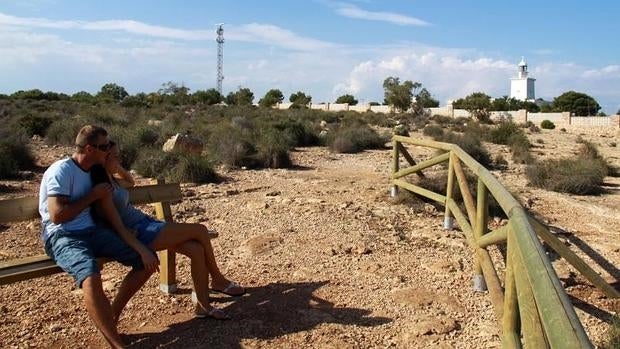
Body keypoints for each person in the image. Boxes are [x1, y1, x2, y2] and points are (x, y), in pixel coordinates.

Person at [90, 141, 245, 321]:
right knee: (200, 230)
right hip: (140, 231)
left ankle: (203, 307)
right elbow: (108, 219)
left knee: (196, 249)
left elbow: (130, 182)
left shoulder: (113, 180)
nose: (119, 158)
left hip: (146, 223)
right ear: (104, 157)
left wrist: (116, 167)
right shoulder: (103, 187)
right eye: (115, 155)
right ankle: (217, 279)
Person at [40, 125, 158, 348]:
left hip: (92, 232)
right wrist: (92, 196)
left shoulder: (93, 171)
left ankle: (108, 319)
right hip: (63, 236)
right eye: (104, 147)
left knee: (147, 260)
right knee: (90, 275)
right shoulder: (62, 171)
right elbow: (57, 216)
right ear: (89, 148)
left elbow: (125, 184)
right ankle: (115, 343)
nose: (108, 150)